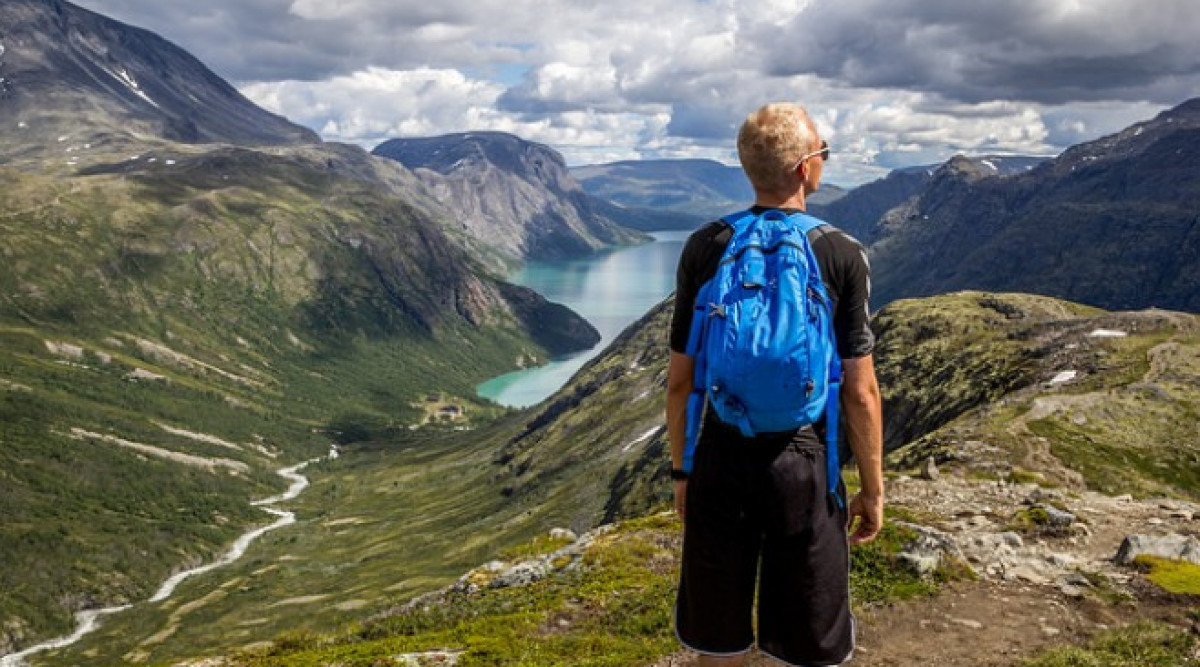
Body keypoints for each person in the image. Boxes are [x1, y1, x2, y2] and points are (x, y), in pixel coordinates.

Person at [666, 102, 884, 667]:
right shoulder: (840, 252)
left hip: (720, 454)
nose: (825, 162)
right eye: (823, 153)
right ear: (804, 169)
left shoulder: (707, 245)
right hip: (803, 461)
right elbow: (859, 391)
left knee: (718, 639)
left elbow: (681, 381)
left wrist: (683, 469)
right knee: (807, 642)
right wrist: (873, 490)